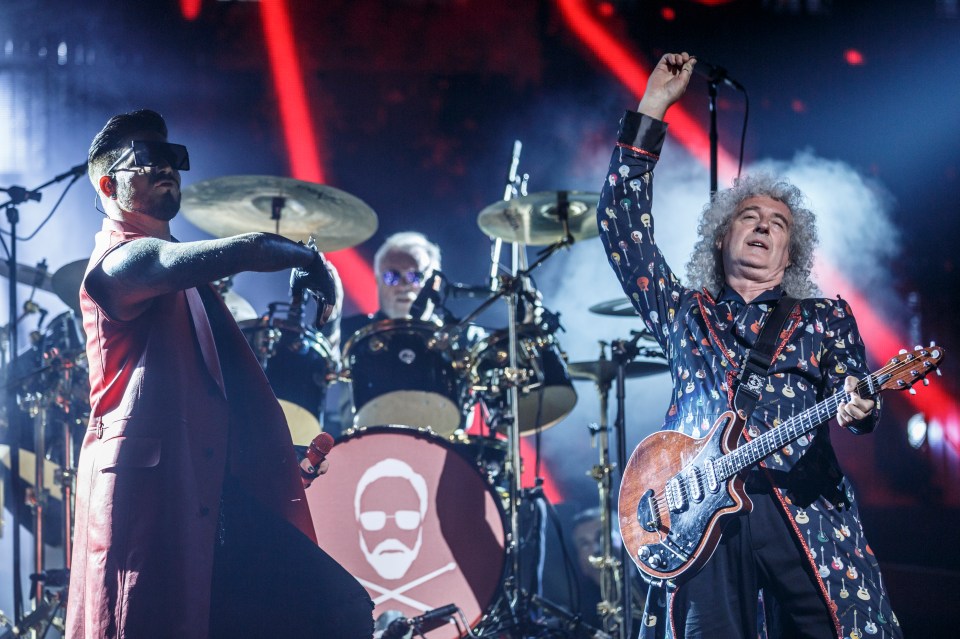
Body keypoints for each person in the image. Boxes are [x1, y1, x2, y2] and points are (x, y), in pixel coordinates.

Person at [598, 53, 902, 638]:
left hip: (802, 504)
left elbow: (854, 393)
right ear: (720, 239)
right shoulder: (685, 312)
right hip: (699, 516)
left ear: (790, 255)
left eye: (778, 224)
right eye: (749, 217)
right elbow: (620, 229)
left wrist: (859, 404)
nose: (763, 225)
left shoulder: (824, 317)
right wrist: (653, 109)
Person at [66, 109, 373, 639]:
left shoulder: (186, 278)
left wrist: (258, 452)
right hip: (152, 506)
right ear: (109, 183)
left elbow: (205, 392)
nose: (167, 167)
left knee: (330, 609)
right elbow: (198, 256)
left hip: (208, 495)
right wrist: (306, 257)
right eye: (148, 159)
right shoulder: (117, 264)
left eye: (173, 157)